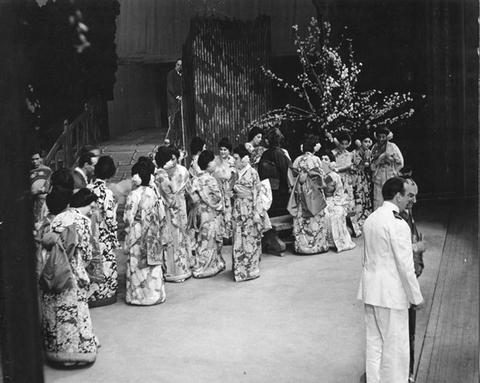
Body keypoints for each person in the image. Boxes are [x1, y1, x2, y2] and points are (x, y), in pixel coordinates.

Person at [357, 177, 424, 383]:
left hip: (371, 291)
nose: (408, 201)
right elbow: (405, 266)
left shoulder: (371, 219)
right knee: (395, 349)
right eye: (406, 196)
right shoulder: (398, 223)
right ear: (398, 196)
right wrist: (416, 297)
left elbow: (366, 258)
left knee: (375, 345)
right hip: (392, 295)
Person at [41, 188, 99, 366]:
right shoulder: (83, 221)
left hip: (56, 268)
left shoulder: (57, 219)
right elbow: (88, 253)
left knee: (57, 312)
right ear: (88, 205)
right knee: (76, 312)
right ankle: (79, 351)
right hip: (74, 270)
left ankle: (57, 351)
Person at [124, 161, 167, 305]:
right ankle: (155, 294)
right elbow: (161, 214)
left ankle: (139, 297)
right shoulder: (154, 192)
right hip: (152, 232)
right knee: (152, 265)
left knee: (138, 264)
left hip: (138, 232)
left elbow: (128, 218)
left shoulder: (133, 195)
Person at [398, 169, 427, 383]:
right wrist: (417, 247)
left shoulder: (408, 215)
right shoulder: (397, 219)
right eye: (410, 196)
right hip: (403, 283)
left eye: (415, 196)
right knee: (405, 331)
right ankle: (406, 374)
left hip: (411, 276)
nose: (414, 200)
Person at [231, 145, 271, 282]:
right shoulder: (234, 172)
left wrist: (257, 212)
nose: (234, 161)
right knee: (238, 237)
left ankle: (251, 269)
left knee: (250, 238)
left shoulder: (253, 173)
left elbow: (257, 193)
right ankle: (239, 269)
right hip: (238, 207)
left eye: (236, 158)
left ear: (244, 159)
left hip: (249, 207)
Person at [154, 146, 192, 282]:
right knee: (173, 238)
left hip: (177, 206)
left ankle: (180, 267)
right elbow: (170, 195)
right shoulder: (162, 175)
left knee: (178, 236)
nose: (172, 162)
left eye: (174, 158)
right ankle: (176, 270)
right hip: (171, 207)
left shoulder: (182, 171)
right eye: (170, 159)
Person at [87, 156, 120, 307]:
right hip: (104, 234)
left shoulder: (87, 189)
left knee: (92, 262)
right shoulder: (107, 193)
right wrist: (114, 237)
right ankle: (106, 293)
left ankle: (92, 294)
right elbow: (110, 219)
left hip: (90, 233)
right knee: (106, 263)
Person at [188, 150, 226, 278]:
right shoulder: (210, 180)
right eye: (214, 160)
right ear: (209, 164)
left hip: (197, 212)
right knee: (209, 240)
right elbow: (217, 198)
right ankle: (207, 266)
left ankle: (202, 264)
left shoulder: (195, 178)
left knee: (201, 239)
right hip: (209, 212)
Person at [288, 135, 329, 254]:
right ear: (314, 146)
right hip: (313, 191)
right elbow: (322, 177)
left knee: (301, 217)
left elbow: (292, 175)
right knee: (315, 216)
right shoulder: (315, 159)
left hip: (300, 191)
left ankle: (302, 246)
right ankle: (317, 245)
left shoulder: (297, 159)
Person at [319, 150, 356, 252]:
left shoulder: (335, 176)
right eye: (321, 159)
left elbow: (339, 192)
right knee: (324, 214)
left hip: (336, 201)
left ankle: (339, 240)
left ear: (331, 162)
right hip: (323, 201)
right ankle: (326, 242)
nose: (323, 161)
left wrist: (334, 203)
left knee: (337, 214)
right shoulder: (319, 176)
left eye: (326, 159)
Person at [258, 127, 293, 217]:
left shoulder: (266, 154)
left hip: (268, 190)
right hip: (280, 191)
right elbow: (285, 172)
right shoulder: (280, 153)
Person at [332, 131, 361, 237]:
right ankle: (339, 230)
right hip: (336, 181)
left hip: (347, 180)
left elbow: (353, 168)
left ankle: (353, 227)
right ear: (338, 142)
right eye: (342, 143)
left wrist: (353, 168)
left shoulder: (350, 154)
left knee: (349, 203)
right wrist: (343, 168)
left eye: (346, 144)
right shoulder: (332, 153)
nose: (343, 146)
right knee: (338, 204)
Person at [370, 127, 404, 211]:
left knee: (391, 194)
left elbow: (400, 162)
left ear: (387, 137)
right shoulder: (375, 147)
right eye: (379, 137)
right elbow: (372, 164)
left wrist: (390, 159)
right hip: (379, 173)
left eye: (383, 136)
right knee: (379, 196)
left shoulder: (392, 146)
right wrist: (380, 159)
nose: (381, 139)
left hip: (390, 172)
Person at [212, 137, 236, 243]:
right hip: (218, 190)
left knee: (229, 211)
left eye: (225, 149)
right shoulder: (215, 160)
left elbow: (235, 177)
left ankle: (229, 235)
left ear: (229, 151)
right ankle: (221, 234)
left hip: (229, 190)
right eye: (221, 149)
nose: (222, 152)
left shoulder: (233, 161)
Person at [352, 134, 373, 228]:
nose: (368, 144)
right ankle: (358, 220)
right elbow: (361, 165)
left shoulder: (369, 152)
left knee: (366, 196)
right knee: (359, 196)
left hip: (366, 177)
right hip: (357, 177)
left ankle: (366, 218)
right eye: (365, 141)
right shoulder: (355, 152)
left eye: (369, 141)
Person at [30, 148, 52, 230]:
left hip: (43, 201)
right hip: (30, 201)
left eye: (37, 159)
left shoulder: (47, 171)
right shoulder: (28, 171)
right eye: (32, 159)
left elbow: (46, 188)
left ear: (41, 158)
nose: (35, 162)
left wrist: (37, 191)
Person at [167, 58, 183, 127]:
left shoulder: (182, 75)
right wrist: (177, 96)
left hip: (180, 99)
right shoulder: (171, 74)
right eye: (178, 65)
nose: (179, 66)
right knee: (173, 117)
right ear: (175, 65)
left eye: (181, 65)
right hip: (173, 100)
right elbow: (171, 88)